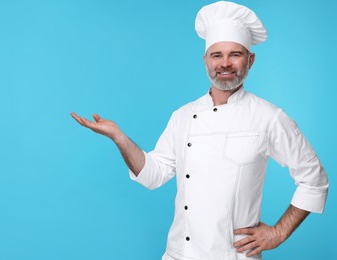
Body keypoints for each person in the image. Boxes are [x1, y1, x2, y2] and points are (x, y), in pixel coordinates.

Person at [71, 1, 329, 259]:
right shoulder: (182, 116)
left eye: (235, 55)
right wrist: (119, 137)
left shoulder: (269, 118)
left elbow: (314, 180)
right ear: (206, 60)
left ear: (250, 60)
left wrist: (278, 233)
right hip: (178, 254)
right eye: (217, 55)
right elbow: (153, 175)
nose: (225, 64)